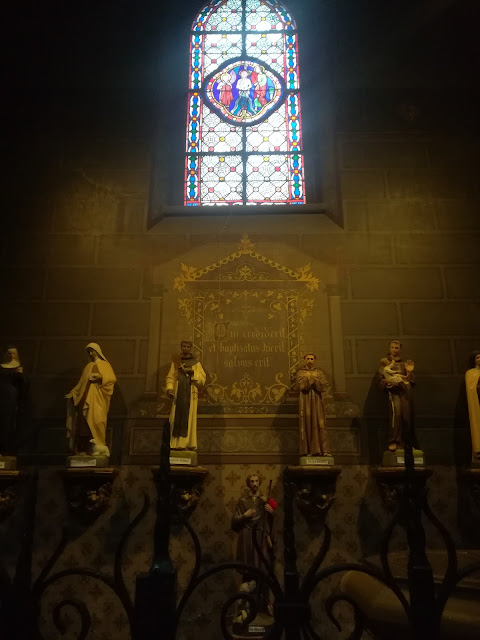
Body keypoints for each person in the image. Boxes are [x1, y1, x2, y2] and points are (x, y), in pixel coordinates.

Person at [231, 474, 277, 623]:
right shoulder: (242, 501)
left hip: (260, 536)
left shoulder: (265, 500)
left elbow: (273, 515)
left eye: (257, 481)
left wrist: (271, 512)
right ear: (248, 484)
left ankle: (264, 604)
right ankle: (245, 608)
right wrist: (244, 516)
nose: (255, 483)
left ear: (260, 482)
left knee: (262, 568)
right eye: (252, 481)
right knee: (248, 569)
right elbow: (234, 521)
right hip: (247, 536)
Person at [65, 343, 116, 456]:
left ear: (97, 351)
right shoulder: (88, 366)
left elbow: (111, 379)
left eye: (92, 351)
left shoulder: (105, 365)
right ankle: (83, 449)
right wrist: (73, 393)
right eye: (89, 352)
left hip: (98, 397)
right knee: (83, 422)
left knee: (97, 421)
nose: (91, 353)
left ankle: (98, 446)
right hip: (86, 397)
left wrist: (100, 377)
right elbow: (81, 384)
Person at [166, 340, 206, 450]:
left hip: (190, 394)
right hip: (178, 392)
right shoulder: (176, 362)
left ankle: (187, 444)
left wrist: (193, 372)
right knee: (175, 418)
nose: (186, 348)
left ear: (190, 348)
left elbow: (202, 379)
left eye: (188, 346)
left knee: (189, 418)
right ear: (181, 347)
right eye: (184, 346)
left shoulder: (196, 363)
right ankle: (175, 444)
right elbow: (170, 377)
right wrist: (169, 389)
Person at [377, 340, 416, 452]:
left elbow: (412, 381)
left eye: (396, 348)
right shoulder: (385, 364)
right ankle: (394, 440)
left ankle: (407, 441)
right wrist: (390, 383)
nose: (394, 350)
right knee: (396, 414)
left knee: (407, 415)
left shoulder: (404, 364)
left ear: (400, 349)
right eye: (392, 347)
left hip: (405, 393)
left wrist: (409, 372)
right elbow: (380, 380)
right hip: (393, 393)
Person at [296, 353, 330, 457]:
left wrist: (316, 379)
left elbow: (324, 386)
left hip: (317, 400)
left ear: (314, 360)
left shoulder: (319, 373)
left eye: (312, 359)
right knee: (307, 422)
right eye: (308, 358)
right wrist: (310, 378)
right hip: (306, 400)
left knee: (320, 423)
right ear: (304, 360)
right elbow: (300, 386)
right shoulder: (301, 372)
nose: (310, 360)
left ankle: (323, 450)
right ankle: (308, 450)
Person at [0, 346, 25, 455]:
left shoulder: (18, 367)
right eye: (9, 353)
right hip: (2, 393)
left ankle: (6, 448)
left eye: (13, 353)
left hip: (10, 395)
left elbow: (22, 384)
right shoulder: (2, 366)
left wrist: (20, 374)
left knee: (8, 420)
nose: (11, 355)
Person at [465, 350, 480, 462]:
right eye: (477, 357)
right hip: (477, 401)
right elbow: (471, 389)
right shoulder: (471, 373)